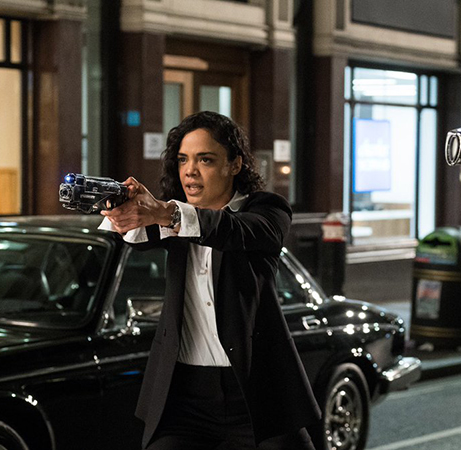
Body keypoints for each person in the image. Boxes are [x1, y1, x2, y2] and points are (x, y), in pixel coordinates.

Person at [100, 111, 320, 449]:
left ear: (235, 164)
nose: (190, 170)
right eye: (183, 159)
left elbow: (234, 230)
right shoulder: (174, 218)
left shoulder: (266, 210)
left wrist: (166, 213)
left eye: (205, 159)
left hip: (256, 395)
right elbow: (134, 233)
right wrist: (122, 209)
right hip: (185, 396)